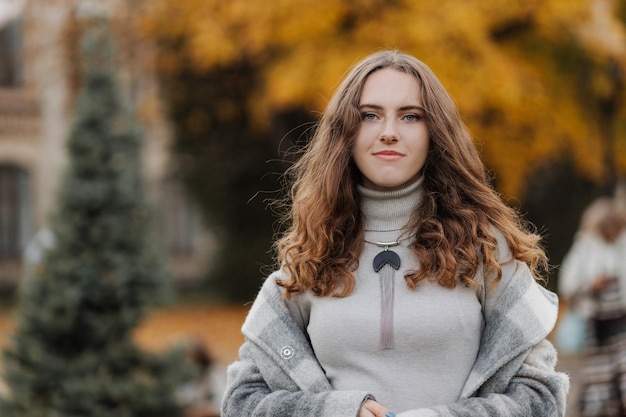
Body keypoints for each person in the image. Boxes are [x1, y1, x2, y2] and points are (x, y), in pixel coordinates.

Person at [221, 50, 569, 417]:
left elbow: (541, 397)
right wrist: (336, 411)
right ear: (346, 131)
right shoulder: (311, 253)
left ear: (434, 131)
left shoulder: (485, 247)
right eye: (370, 115)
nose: (388, 132)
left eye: (410, 116)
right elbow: (243, 402)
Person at [559, 197, 626, 416]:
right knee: (600, 380)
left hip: (622, 323)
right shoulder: (585, 246)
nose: (611, 230)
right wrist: (592, 285)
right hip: (596, 325)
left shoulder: (622, 244)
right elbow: (567, 284)